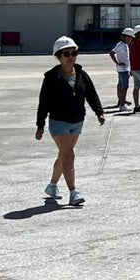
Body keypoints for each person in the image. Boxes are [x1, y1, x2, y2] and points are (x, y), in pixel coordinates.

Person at [35, 36, 106, 206]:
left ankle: (52, 186)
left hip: (77, 121)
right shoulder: (51, 77)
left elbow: (91, 94)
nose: (71, 57)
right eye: (66, 54)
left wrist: (99, 112)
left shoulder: (81, 74)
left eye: (74, 53)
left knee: (64, 154)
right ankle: (73, 192)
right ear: (58, 57)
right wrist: (40, 126)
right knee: (69, 155)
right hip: (59, 121)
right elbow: (43, 102)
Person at [108, 27, 133, 111]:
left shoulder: (125, 45)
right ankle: (122, 105)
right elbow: (111, 53)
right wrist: (117, 63)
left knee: (120, 85)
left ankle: (120, 101)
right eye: (129, 37)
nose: (130, 39)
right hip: (123, 69)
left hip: (125, 69)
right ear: (124, 37)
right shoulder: (120, 45)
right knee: (124, 87)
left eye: (131, 38)